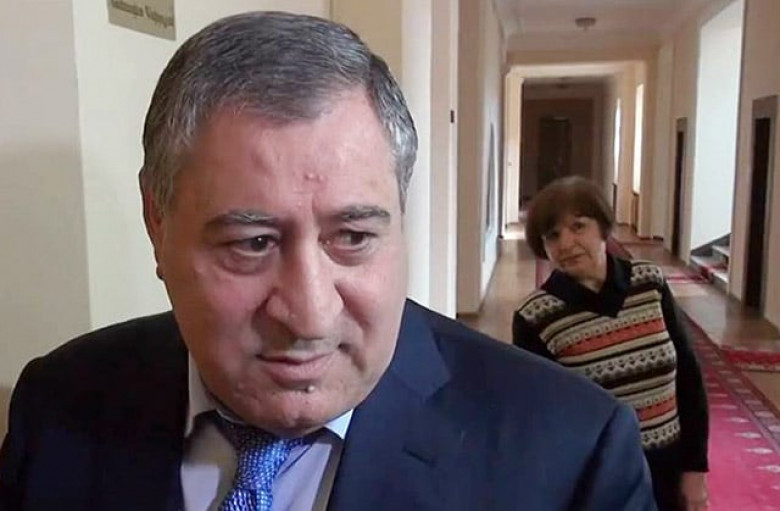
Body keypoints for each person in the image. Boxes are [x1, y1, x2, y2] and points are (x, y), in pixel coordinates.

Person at [0, 12, 657, 511]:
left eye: (353, 237)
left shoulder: (572, 454)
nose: (309, 314)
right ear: (157, 221)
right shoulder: (57, 404)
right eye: (252, 243)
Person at [513, 176, 709, 511]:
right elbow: (543, 419)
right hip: (599, 480)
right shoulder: (536, 317)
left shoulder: (649, 282)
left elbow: (688, 377)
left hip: (668, 467)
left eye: (578, 226)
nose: (566, 243)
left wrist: (694, 470)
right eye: (553, 235)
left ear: (603, 228)